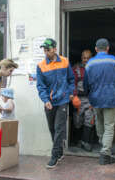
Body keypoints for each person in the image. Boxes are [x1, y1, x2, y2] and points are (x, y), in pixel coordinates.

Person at [84, 38, 115, 165]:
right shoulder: (114, 60)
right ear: (108, 48)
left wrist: (89, 95)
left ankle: (103, 147)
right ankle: (105, 153)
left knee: (99, 123)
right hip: (111, 97)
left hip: (95, 98)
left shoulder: (90, 63)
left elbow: (86, 84)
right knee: (109, 126)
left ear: (96, 49)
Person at [36, 38, 75, 169]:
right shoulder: (41, 66)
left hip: (63, 100)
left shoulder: (65, 61)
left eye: (48, 49)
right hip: (50, 102)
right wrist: (46, 100)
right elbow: (40, 86)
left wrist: (70, 92)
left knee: (59, 128)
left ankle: (54, 156)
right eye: (44, 49)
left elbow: (71, 79)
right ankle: (60, 151)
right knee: (52, 128)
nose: (46, 51)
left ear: (55, 49)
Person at [72, 49, 96, 152]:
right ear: (81, 57)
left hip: (91, 98)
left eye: (88, 58)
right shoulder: (76, 68)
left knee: (89, 120)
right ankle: (78, 140)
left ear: (91, 58)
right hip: (79, 99)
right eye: (84, 58)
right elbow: (71, 83)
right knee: (78, 120)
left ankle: (86, 142)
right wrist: (74, 96)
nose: (86, 60)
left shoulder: (95, 68)